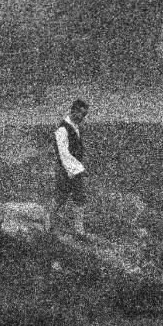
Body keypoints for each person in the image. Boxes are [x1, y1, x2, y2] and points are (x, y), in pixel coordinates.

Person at [50, 99, 89, 237]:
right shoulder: (62, 129)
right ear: (73, 111)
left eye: (84, 115)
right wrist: (77, 168)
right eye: (81, 114)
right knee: (60, 198)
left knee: (80, 199)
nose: (82, 118)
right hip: (65, 170)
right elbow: (63, 153)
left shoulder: (75, 127)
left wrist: (78, 169)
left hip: (75, 170)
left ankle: (79, 231)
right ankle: (50, 225)